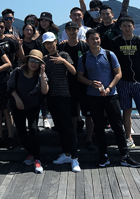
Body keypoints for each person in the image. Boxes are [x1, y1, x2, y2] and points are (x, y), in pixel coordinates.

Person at [77, 29, 140, 168]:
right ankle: (103, 155)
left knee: (117, 125)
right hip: (93, 96)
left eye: (97, 38)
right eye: (92, 39)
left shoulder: (109, 54)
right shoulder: (83, 58)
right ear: (87, 41)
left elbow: (118, 73)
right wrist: (90, 83)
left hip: (111, 95)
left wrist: (110, 87)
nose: (95, 41)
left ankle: (125, 156)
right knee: (99, 127)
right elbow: (79, 76)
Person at [111, 16, 140, 152]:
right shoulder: (116, 42)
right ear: (120, 27)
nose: (127, 28)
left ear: (133, 27)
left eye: (129, 26)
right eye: (124, 26)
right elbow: (113, 62)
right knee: (126, 111)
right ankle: (129, 138)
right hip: (123, 82)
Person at [42, 33, 81, 173]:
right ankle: (66, 153)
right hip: (51, 96)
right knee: (59, 126)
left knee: (68, 127)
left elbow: (74, 71)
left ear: (56, 42)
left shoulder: (64, 55)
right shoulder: (44, 59)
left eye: (51, 42)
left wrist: (63, 61)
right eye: (46, 43)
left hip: (64, 95)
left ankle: (75, 158)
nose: (49, 45)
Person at [8, 50, 49, 174]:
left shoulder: (41, 75)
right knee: (21, 131)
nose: (34, 63)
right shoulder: (18, 72)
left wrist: (42, 74)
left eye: (37, 61)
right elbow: (10, 87)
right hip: (18, 106)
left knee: (33, 129)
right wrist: (17, 98)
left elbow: (44, 91)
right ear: (27, 60)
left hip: (33, 106)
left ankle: (37, 159)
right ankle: (32, 152)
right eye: (32, 60)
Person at [58, 22, 94, 150]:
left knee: (89, 114)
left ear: (78, 31)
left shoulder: (84, 45)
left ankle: (89, 140)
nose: (72, 32)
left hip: (84, 83)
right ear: (66, 32)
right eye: (69, 30)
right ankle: (74, 140)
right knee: (73, 114)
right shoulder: (62, 47)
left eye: (74, 29)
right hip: (69, 84)